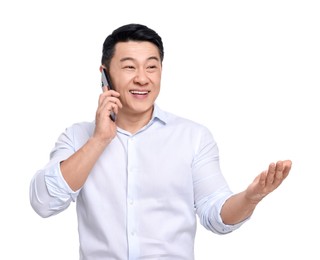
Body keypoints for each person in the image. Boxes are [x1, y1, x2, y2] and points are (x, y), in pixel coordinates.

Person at [29, 23, 292, 260]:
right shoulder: (78, 137)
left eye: (151, 67)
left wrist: (250, 197)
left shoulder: (193, 137)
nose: (142, 78)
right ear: (105, 73)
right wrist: (99, 140)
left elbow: (216, 215)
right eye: (129, 66)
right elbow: (44, 202)